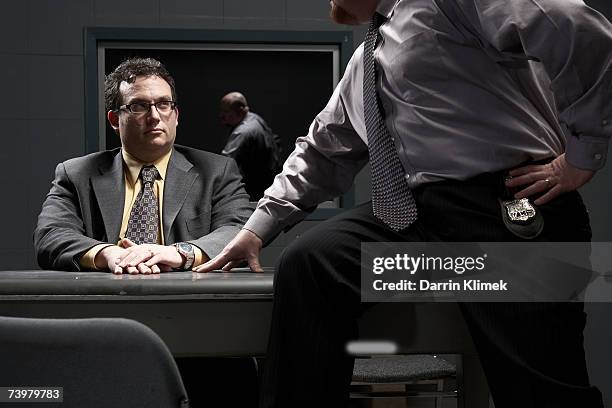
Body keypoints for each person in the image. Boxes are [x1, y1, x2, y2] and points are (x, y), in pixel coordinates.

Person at [195, 0, 612, 407]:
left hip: (502, 212)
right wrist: (256, 229)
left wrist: (582, 155)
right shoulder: (366, 60)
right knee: (312, 262)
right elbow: (322, 151)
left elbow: (577, 27)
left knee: (539, 391)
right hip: (418, 224)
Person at [34, 57, 256, 407]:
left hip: (199, 335)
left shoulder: (218, 170)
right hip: (102, 333)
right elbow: (50, 235)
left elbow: (240, 229)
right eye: (139, 106)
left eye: (164, 104)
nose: (155, 116)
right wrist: (109, 254)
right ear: (114, 119)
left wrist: (179, 252)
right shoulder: (76, 173)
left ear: (176, 114)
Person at [220, 92, 282, 200]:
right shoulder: (256, 118)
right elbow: (276, 141)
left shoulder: (243, 132)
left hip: (255, 193)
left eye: (226, 111)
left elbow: (224, 164)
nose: (221, 115)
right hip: (270, 186)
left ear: (240, 110)